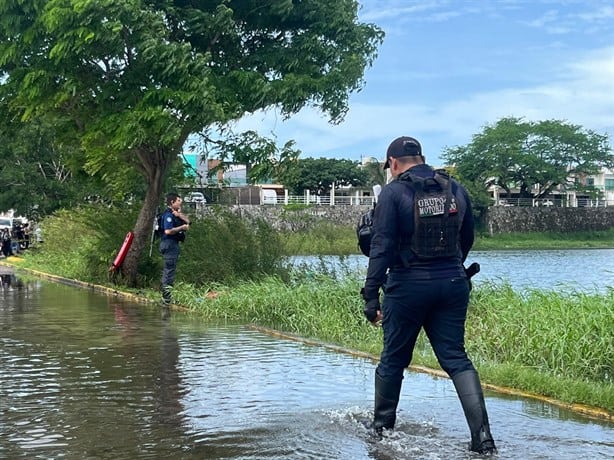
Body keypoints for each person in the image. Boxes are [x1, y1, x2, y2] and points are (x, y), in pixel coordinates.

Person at [360, 136, 497, 454]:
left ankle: (381, 430)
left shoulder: (393, 192)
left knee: (393, 360)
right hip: (452, 283)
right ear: (421, 158)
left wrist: (370, 297)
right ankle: (483, 439)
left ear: (393, 164)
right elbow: (468, 236)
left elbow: (380, 248)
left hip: (407, 286)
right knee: (456, 359)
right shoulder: (455, 189)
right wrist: (451, 268)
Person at [160, 192, 190, 306]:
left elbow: (188, 222)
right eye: (178, 201)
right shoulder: (168, 215)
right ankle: (166, 299)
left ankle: (167, 297)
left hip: (173, 244)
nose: (180, 203)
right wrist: (181, 227)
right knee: (169, 272)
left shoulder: (176, 214)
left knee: (170, 270)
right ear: (172, 202)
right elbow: (168, 231)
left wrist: (180, 216)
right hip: (169, 244)